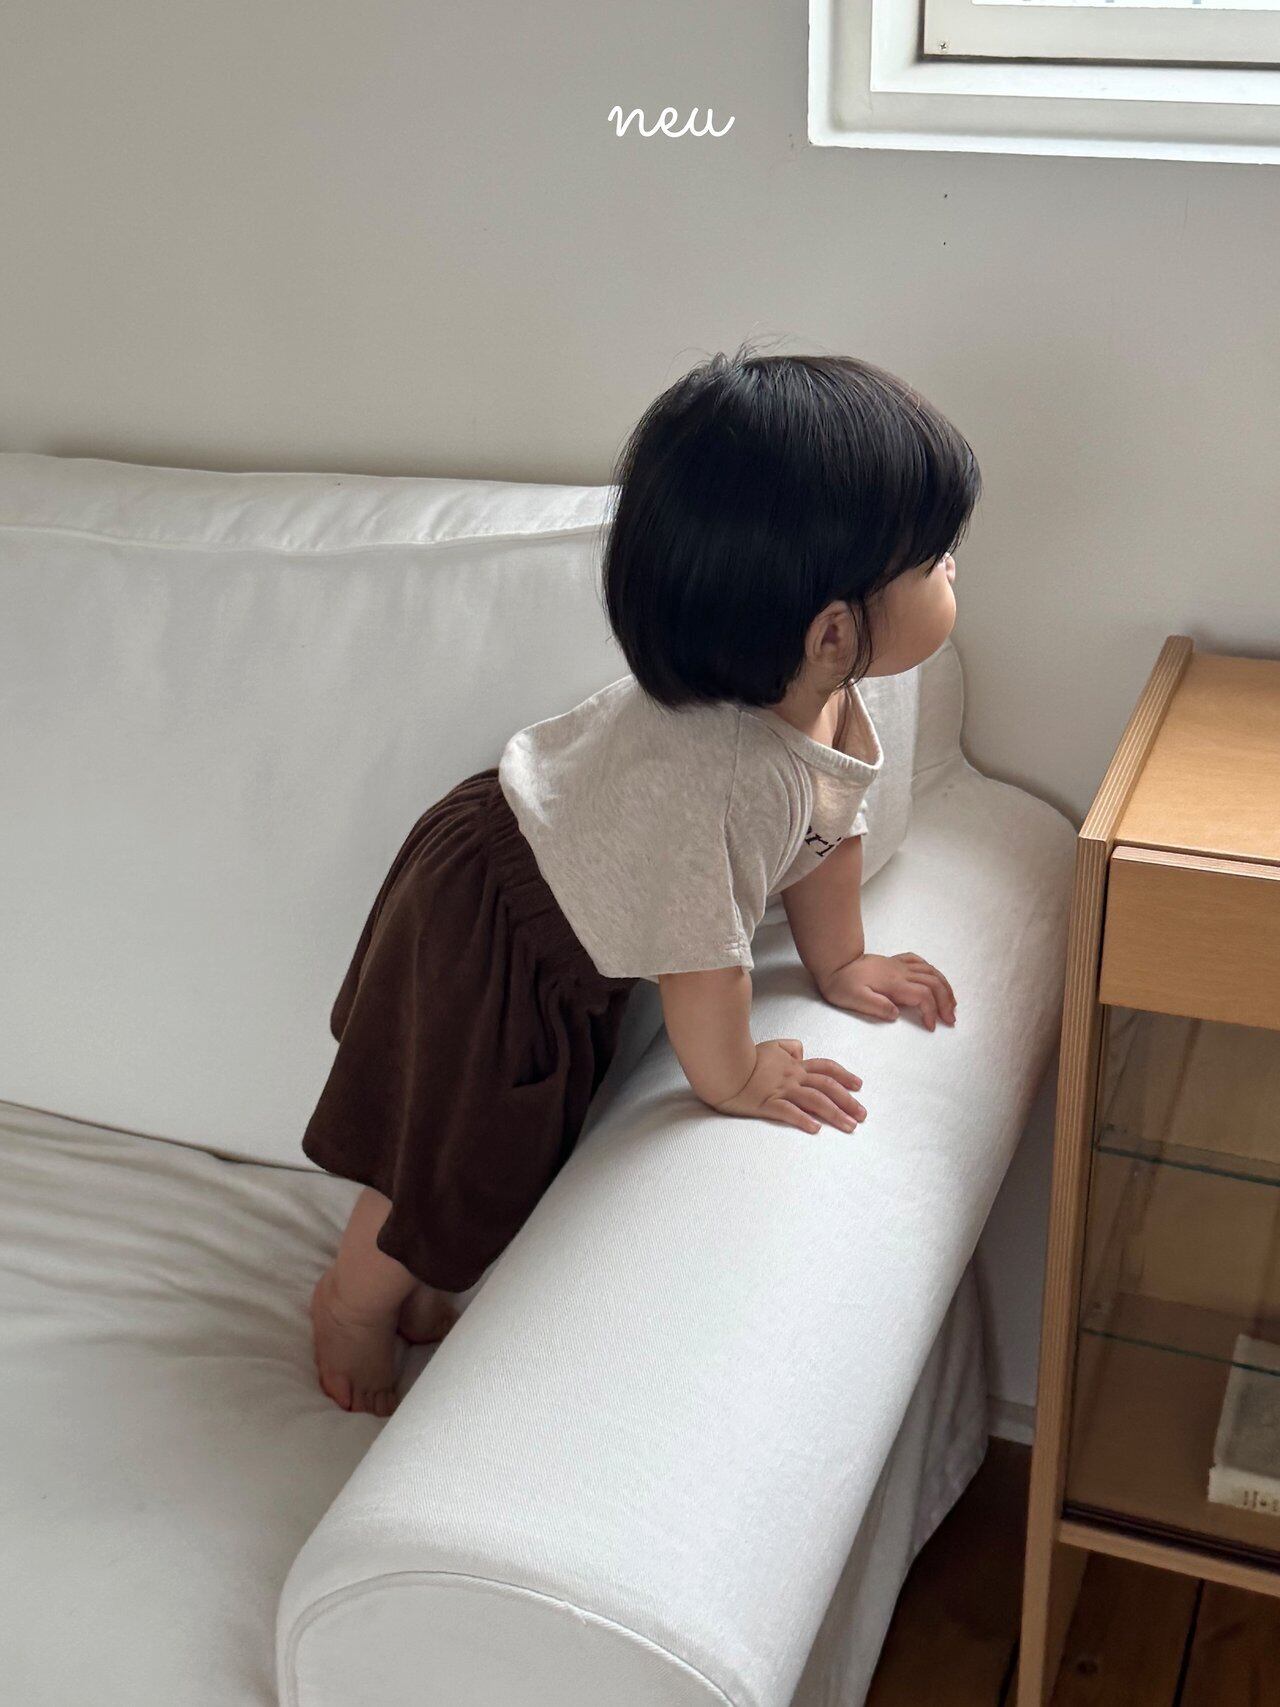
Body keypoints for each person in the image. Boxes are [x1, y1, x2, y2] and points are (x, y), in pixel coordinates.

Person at [304, 347, 971, 1415]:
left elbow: (827, 833)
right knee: (452, 1155)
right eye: (936, 560)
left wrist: (840, 962)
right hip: (497, 927)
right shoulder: (722, 776)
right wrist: (737, 1079)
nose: (954, 573)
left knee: (492, 1157)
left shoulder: (826, 697)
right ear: (833, 630)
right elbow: (706, 963)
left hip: (551, 888)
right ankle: (351, 1301)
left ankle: (419, 1277)